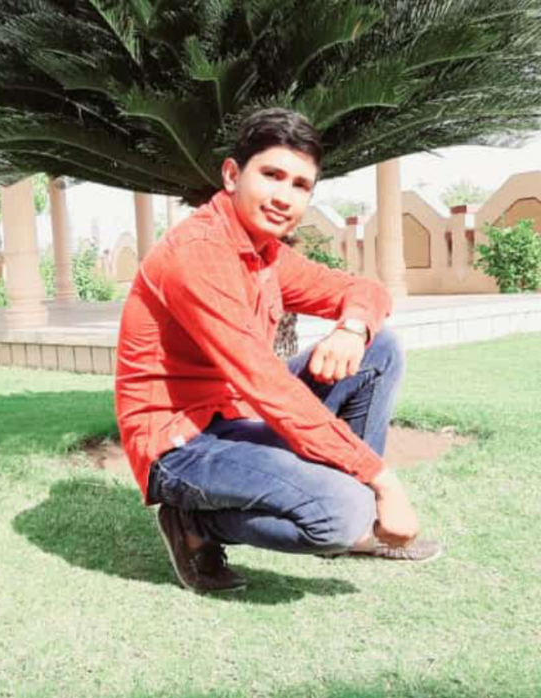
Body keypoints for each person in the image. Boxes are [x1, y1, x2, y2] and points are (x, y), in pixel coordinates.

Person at [115, 108, 441, 593]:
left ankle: (358, 510)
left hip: (227, 420)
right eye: (271, 175)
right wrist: (382, 480)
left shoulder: (265, 253)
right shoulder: (198, 253)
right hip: (177, 446)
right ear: (232, 175)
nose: (284, 197)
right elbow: (266, 385)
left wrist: (352, 328)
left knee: (381, 346)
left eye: (300, 185)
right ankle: (193, 523)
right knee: (344, 513)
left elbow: (366, 291)